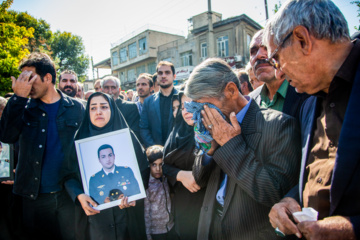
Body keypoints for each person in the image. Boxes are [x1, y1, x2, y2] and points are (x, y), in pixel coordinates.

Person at [263, 1, 360, 239]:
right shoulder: (309, 101)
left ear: (302, 39)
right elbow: (320, 173)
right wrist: (290, 200)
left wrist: (351, 229)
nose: (279, 73)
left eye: (276, 59)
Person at [184, 58, 301, 240]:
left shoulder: (278, 126)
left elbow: (274, 192)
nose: (202, 115)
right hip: (211, 229)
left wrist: (231, 145)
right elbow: (199, 178)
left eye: (206, 106)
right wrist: (209, 150)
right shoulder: (211, 126)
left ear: (231, 90)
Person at [0, 52, 85, 240]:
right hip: (32, 196)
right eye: (22, 78)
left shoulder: (77, 108)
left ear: (48, 78)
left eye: (30, 77)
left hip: (68, 195)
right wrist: (18, 99)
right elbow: (7, 136)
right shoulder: (22, 107)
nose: (25, 83)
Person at [63, 92, 150, 240]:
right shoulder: (80, 139)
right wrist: (79, 195)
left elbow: (143, 170)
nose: (98, 112)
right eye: (93, 108)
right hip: (95, 220)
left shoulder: (127, 137)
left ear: (112, 109)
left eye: (104, 107)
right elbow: (68, 175)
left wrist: (136, 194)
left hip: (127, 215)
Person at [163, 92, 206, 240]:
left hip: (208, 202)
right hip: (184, 203)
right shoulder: (177, 132)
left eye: (191, 105)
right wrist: (180, 175)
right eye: (182, 107)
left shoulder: (212, 131)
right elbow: (164, 165)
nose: (186, 111)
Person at [249, 30, 308, 119]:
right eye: (253, 51)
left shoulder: (307, 93)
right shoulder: (250, 101)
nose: (259, 55)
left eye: (266, 48)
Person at [140, 61, 178, 148]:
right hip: (156, 155)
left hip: (179, 152)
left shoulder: (182, 98)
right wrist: (155, 149)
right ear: (157, 77)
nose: (163, 76)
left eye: (167, 72)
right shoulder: (148, 101)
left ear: (174, 77)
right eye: (160, 73)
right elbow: (144, 128)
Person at [144, 145, 178, 240]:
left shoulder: (166, 178)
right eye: (154, 165)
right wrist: (148, 236)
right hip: (156, 232)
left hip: (171, 227)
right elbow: (146, 214)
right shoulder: (147, 186)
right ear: (149, 165)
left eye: (161, 164)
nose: (158, 169)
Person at [102, 76, 141, 140]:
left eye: (113, 87)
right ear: (102, 90)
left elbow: (135, 133)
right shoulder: (96, 110)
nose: (110, 91)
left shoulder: (130, 107)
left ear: (119, 90)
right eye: (106, 87)